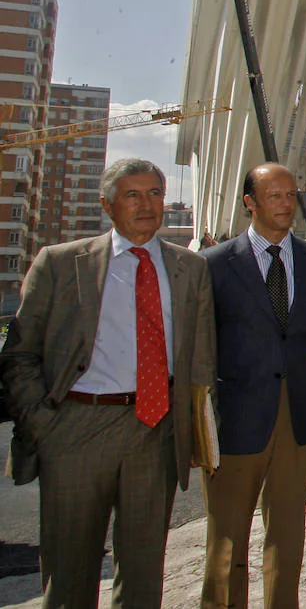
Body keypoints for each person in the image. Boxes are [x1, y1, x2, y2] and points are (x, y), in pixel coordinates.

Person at [0, 158, 216, 608]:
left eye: (155, 194)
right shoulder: (61, 263)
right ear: (107, 204)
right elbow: (21, 353)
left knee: (142, 576)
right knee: (69, 572)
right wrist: (45, 424)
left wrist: (191, 435)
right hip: (77, 429)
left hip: (154, 434)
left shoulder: (189, 268)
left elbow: (200, 358)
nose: (146, 205)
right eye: (132, 195)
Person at [199, 162, 306, 609]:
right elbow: (203, 341)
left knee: (288, 533)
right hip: (237, 416)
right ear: (249, 202)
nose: (285, 204)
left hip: (296, 414)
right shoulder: (214, 265)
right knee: (227, 537)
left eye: (291, 194)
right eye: (274, 195)